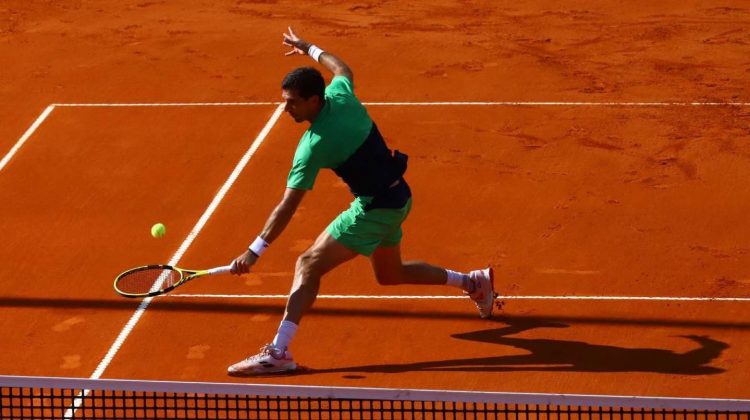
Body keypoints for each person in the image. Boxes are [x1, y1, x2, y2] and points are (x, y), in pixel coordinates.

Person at [227, 27, 496, 376]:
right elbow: (341, 69)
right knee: (390, 273)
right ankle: (473, 281)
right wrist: (308, 47)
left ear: (313, 100)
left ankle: (278, 353)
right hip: (395, 197)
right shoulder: (340, 94)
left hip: (378, 207)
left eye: (292, 102)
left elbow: (288, 206)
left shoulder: (314, 145)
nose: (286, 109)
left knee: (308, 264)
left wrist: (255, 250)